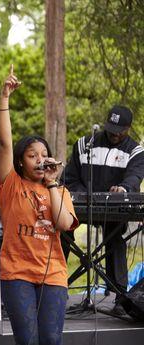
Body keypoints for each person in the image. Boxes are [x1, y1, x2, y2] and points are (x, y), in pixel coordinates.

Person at [0, 65, 78, 345]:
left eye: (44, 154)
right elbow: (4, 144)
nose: (40, 159)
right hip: (17, 273)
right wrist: (4, 98)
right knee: (28, 342)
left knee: (52, 342)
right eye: (32, 155)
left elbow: (61, 223)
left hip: (53, 273)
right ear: (20, 162)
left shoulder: (60, 190)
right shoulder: (11, 183)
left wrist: (53, 184)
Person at [63, 105, 144, 314]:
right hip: (81, 206)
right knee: (62, 229)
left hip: (112, 211)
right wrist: (83, 195)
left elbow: (134, 178)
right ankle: (57, 286)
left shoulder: (135, 151)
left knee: (115, 237)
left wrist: (124, 188)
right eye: (111, 128)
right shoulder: (84, 144)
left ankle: (120, 297)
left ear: (128, 128)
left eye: (120, 130)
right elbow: (70, 178)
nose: (114, 134)